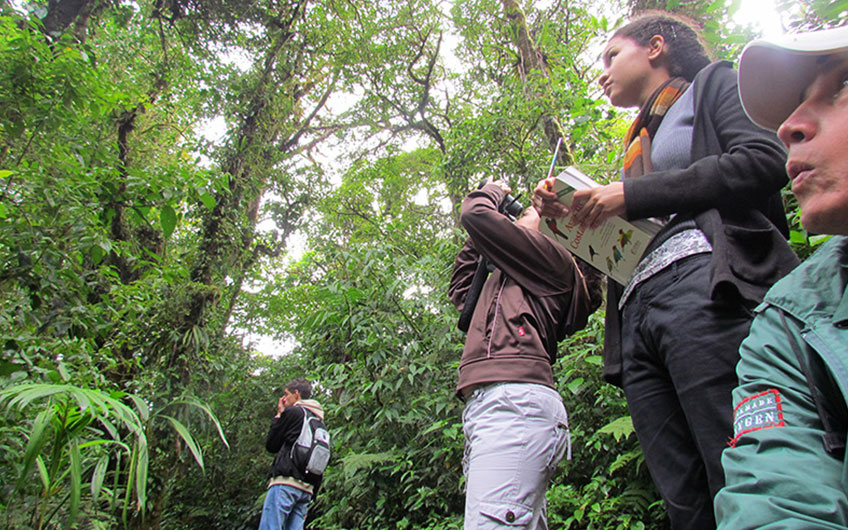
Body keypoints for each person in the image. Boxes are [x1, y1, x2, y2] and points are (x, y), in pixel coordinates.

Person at [533, 12, 798, 529]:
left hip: (707, 289)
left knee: (738, 462)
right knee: (683, 497)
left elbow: (763, 159)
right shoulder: (638, 139)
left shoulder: (715, 84)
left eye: (611, 56)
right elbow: (638, 227)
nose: (603, 72)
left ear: (655, 46)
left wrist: (629, 195)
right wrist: (572, 214)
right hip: (639, 315)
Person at [714, 24, 848, 529]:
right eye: (799, 100)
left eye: (844, 83)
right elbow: (774, 500)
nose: (788, 125)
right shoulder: (788, 321)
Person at [448, 178, 595, 529]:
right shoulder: (513, 276)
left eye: (526, 215)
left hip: (513, 407)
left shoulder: (555, 262)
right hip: (497, 408)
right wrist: (484, 241)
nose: (517, 221)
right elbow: (460, 289)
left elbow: (474, 213)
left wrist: (493, 191)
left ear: (550, 232)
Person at [259, 378, 324, 530]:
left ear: (296, 394)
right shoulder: (319, 421)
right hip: (307, 488)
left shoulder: (294, 412)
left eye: (286, 394)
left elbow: (271, 445)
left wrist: (279, 415)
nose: (284, 399)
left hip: (286, 482)